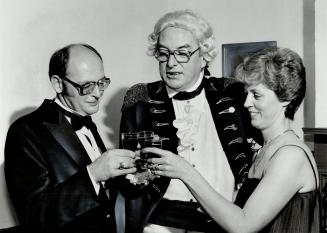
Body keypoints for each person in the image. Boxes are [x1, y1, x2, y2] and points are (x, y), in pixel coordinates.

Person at [146, 47, 321, 233]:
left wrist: (186, 172)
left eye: (257, 95)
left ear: (286, 98)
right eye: (247, 93)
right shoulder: (266, 149)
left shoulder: (290, 155)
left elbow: (243, 226)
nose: (246, 103)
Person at [118, 10, 262, 233]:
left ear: (204, 55)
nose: (171, 63)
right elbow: (129, 179)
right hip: (159, 225)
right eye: (164, 53)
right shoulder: (140, 100)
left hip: (222, 222)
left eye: (182, 53)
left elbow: (259, 161)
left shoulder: (233, 93)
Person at [4, 43, 137, 233]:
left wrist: (134, 176)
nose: (98, 93)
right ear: (58, 83)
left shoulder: (86, 121)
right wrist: (94, 174)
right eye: (86, 85)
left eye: (101, 83)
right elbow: (34, 217)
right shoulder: (24, 131)